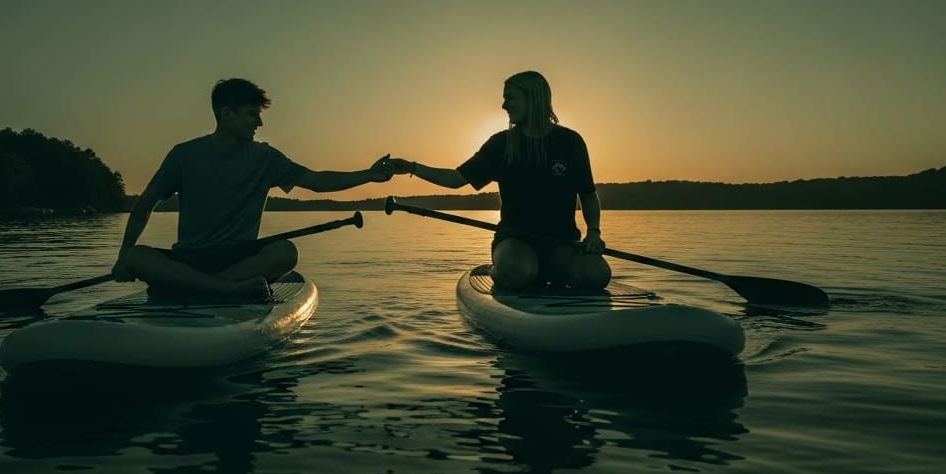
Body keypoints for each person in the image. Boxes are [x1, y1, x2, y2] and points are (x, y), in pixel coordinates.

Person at [113, 78, 394, 300]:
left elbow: (318, 182)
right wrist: (123, 258)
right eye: (252, 114)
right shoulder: (183, 155)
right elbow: (145, 205)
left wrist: (370, 175)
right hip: (191, 257)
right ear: (226, 113)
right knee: (137, 256)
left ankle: (193, 287)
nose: (259, 123)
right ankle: (227, 290)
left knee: (286, 253)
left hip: (239, 258)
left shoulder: (265, 158)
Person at [388, 71, 610, 290]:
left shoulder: (570, 142)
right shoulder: (501, 145)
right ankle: (499, 270)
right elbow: (455, 179)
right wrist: (412, 167)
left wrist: (593, 233)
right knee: (519, 271)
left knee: (597, 275)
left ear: (533, 99)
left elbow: (588, 194)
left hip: (563, 242)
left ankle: (549, 272)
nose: (504, 105)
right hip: (515, 240)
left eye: (510, 98)